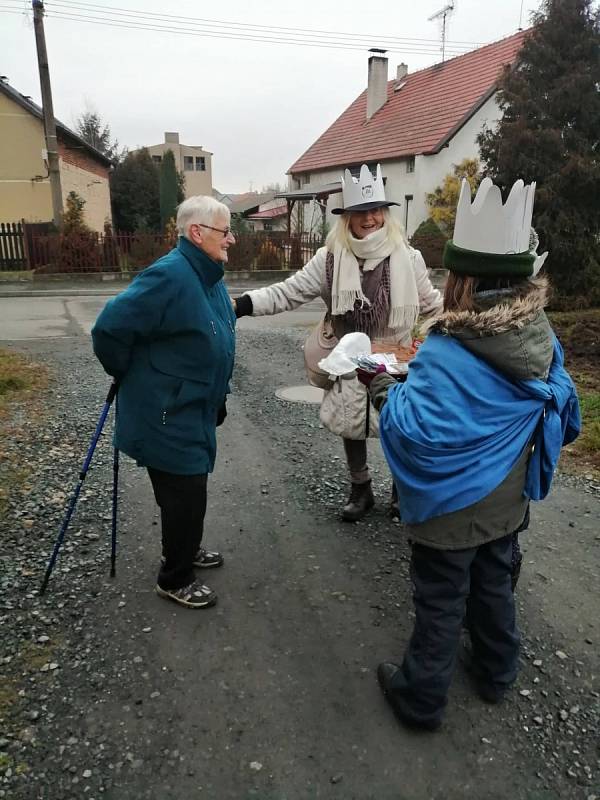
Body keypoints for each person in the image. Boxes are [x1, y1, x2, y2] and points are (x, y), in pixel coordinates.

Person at [361, 177, 580, 730]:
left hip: (451, 509)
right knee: (493, 586)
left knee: (439, 601)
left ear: (463, 279)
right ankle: (496, 669)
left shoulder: (448, 350)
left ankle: (420, 699)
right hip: (507, 499)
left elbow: (413, 432)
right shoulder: (541, 336)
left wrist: (384, 386)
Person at [234, 164, 442, 521]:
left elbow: (433, 305)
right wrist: (242, 305)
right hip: (349, 355)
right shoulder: (329, 257)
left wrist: (443, 335)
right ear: (347, 217)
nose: (370, 218)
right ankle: (360, 489)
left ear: (385, 214)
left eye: (376, 210)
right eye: (361, 211)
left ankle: (400, 492)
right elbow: (290, 292)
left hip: (396, 356)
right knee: (352, 424)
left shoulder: (409, 258)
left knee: (400, 425)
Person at [91, 196, 237, 609]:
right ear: (197, 233)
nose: (231, 240)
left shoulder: (208, 275)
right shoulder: (170, 276)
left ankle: (184, 550)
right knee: (185, 494)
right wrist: (128, 372)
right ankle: (174, 577)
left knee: (189, 490)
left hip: (193, 405)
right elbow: (109, 329)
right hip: (166, 411)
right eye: (225, 232)